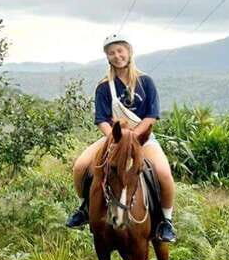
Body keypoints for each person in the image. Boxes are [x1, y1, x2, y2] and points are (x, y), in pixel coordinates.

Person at [66, 33, 177, 242]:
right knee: (81, 166)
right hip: (113, 138)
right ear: (107, 57)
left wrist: (133, 138)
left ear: (128, 52)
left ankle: (166, 221)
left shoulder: (146, 82)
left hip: (143, 138)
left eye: (120, 51)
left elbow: (152, 116)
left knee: (163, 173)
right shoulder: (103, 86)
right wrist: (116, 139)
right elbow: (101, 119)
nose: (117, 56)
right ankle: (84, 208)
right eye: (111, 53)